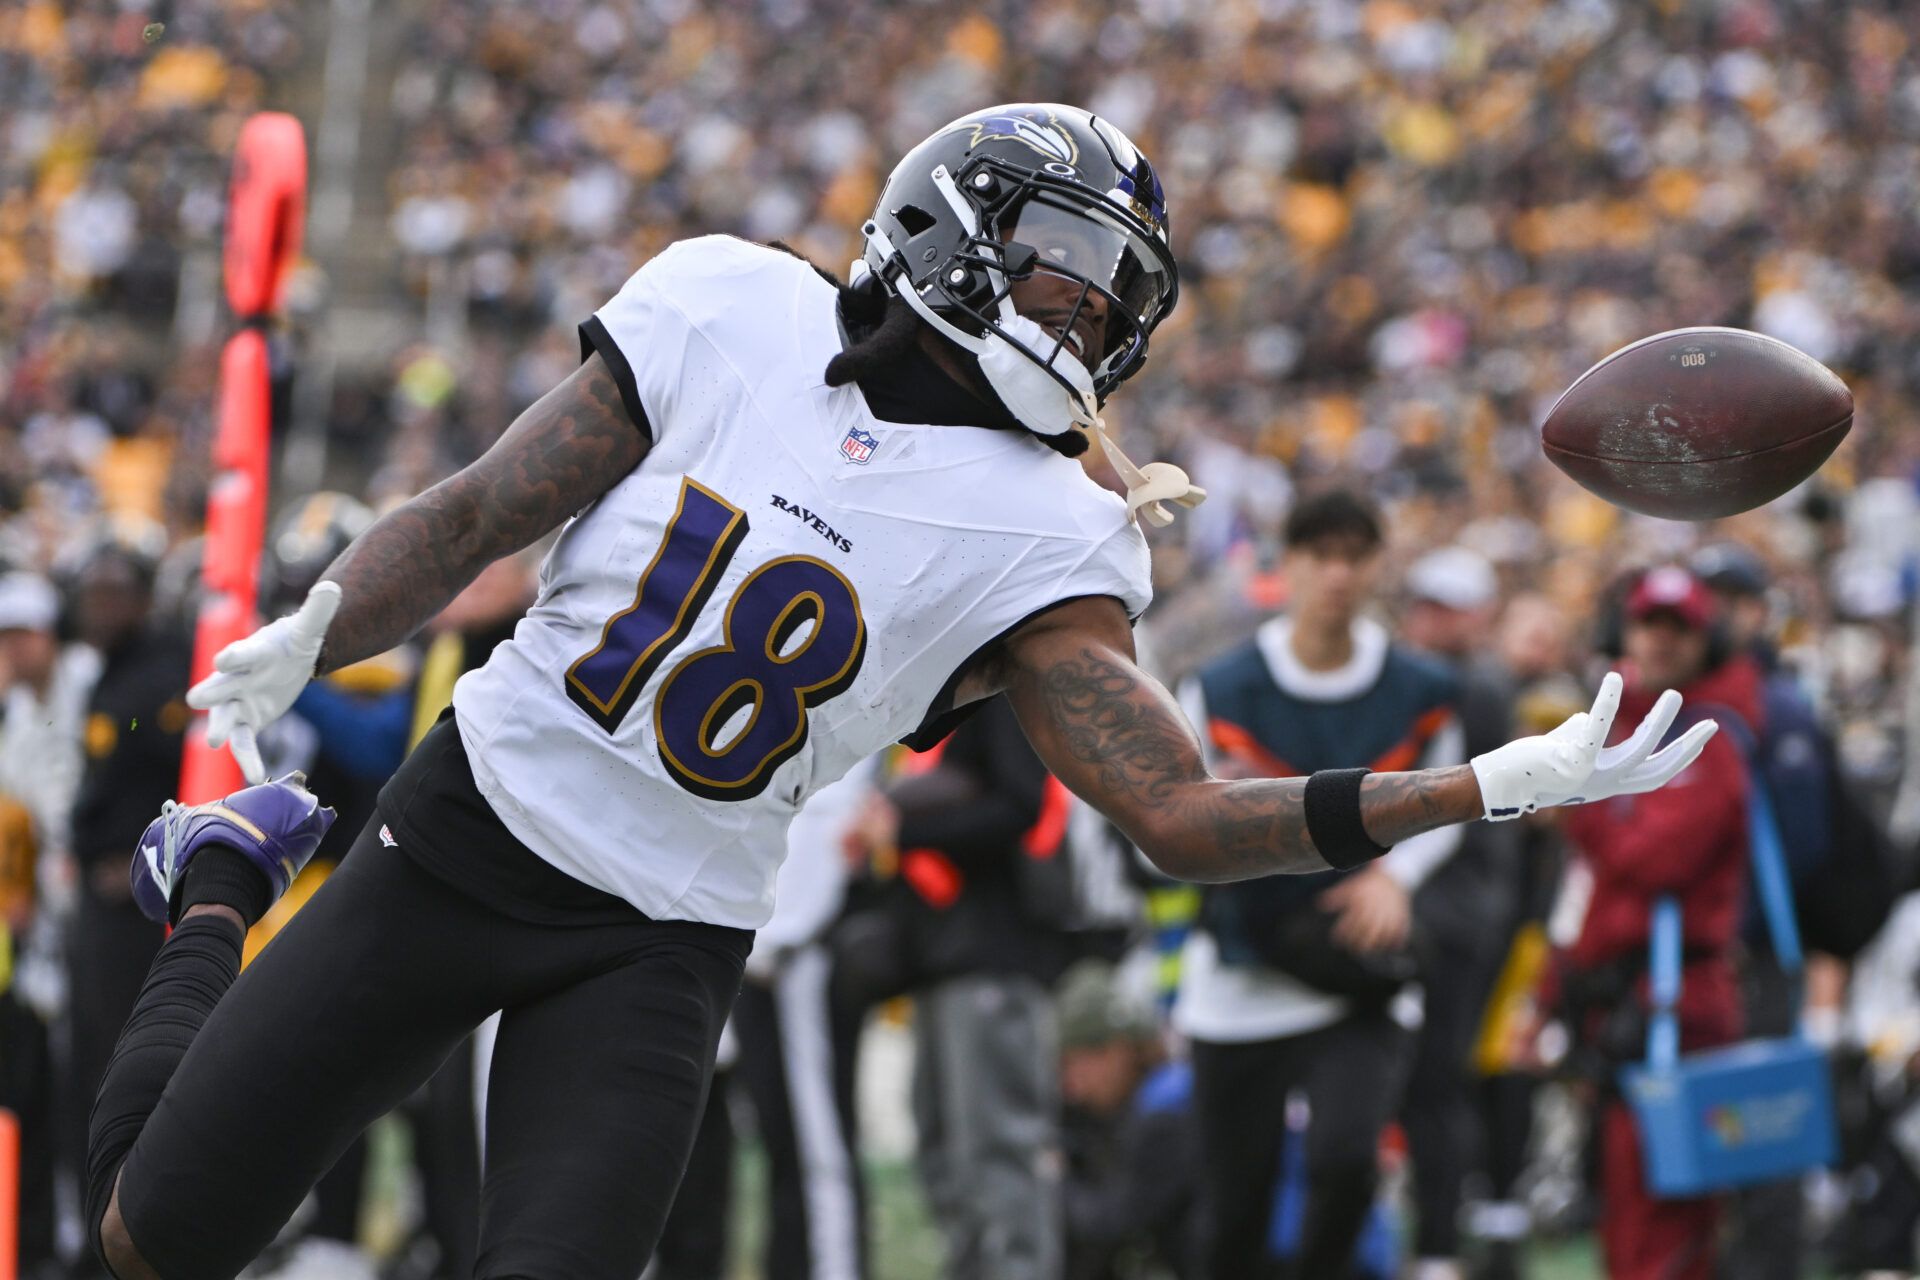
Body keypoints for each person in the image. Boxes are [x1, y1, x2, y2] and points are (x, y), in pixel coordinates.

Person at [83, 103, 1711, 1280]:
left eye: (1108, 300)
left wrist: (1484, 785)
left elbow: (1183, 817)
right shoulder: (732, 306)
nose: (1084, 316)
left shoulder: (1056, 537)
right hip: (467, 828)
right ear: (956, 219)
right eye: (1066, 272)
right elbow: (477, 513)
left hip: (656, 941)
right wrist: (323, 625)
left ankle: (227, 881)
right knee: (150, 1237)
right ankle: (223, 881)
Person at [1174, 490, 1466, 1280]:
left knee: (1345, 1166)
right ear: (1288, 563)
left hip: (1356, 972)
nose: (1336, 574)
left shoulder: (1421, 686)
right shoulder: (1223, 688)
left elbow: (1450, 802)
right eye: (1318, 553)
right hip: (1245, 967)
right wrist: (1220, 809)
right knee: (1235, 1201)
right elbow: (1166, 819)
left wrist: (1396, 881)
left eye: (1354, 555)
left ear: (1378, 566)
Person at [1549, 566, 1759, 1280]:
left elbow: (1659, 857)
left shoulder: (1710, 738)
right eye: (1649, 624)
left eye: (1680, 627)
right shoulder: (1623, 727)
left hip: (1677, 1006)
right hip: (1622, 1004)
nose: (1661, 641)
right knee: (1625, 1209)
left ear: (1709, 639)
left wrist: (1574, 803)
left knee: (1667, 1221)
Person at [1397, 547, 1523, 1280]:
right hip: (1456, 903)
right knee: (1431, 1085)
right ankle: (1438, 1241)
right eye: (1424, 603)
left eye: (1445, 606)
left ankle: (1439, 1246)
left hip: (1452, 908)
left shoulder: (1467, 686)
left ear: (1478, 615)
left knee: (1436, 1085)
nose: (1427, 618)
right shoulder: (1470, 680)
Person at [1057, 959, 1198, 1280]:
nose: (1070, 1085)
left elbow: (1115, 1223)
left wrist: (1053, 1180)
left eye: (1074, 1063)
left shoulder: (1166, 1113)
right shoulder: (1151, 1099)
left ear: (1117, 1050)